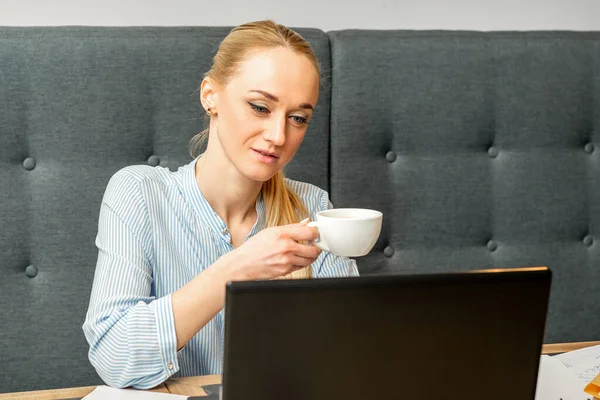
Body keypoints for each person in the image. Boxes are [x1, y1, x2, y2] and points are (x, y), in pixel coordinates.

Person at [82, 20, 359, 389]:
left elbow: (352, 358)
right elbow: (114, 357)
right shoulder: (140, 194)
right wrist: (237, 269)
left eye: (298, 118)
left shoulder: (312, 206)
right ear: (210, 95)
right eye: (260, 107)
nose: (278, 136)